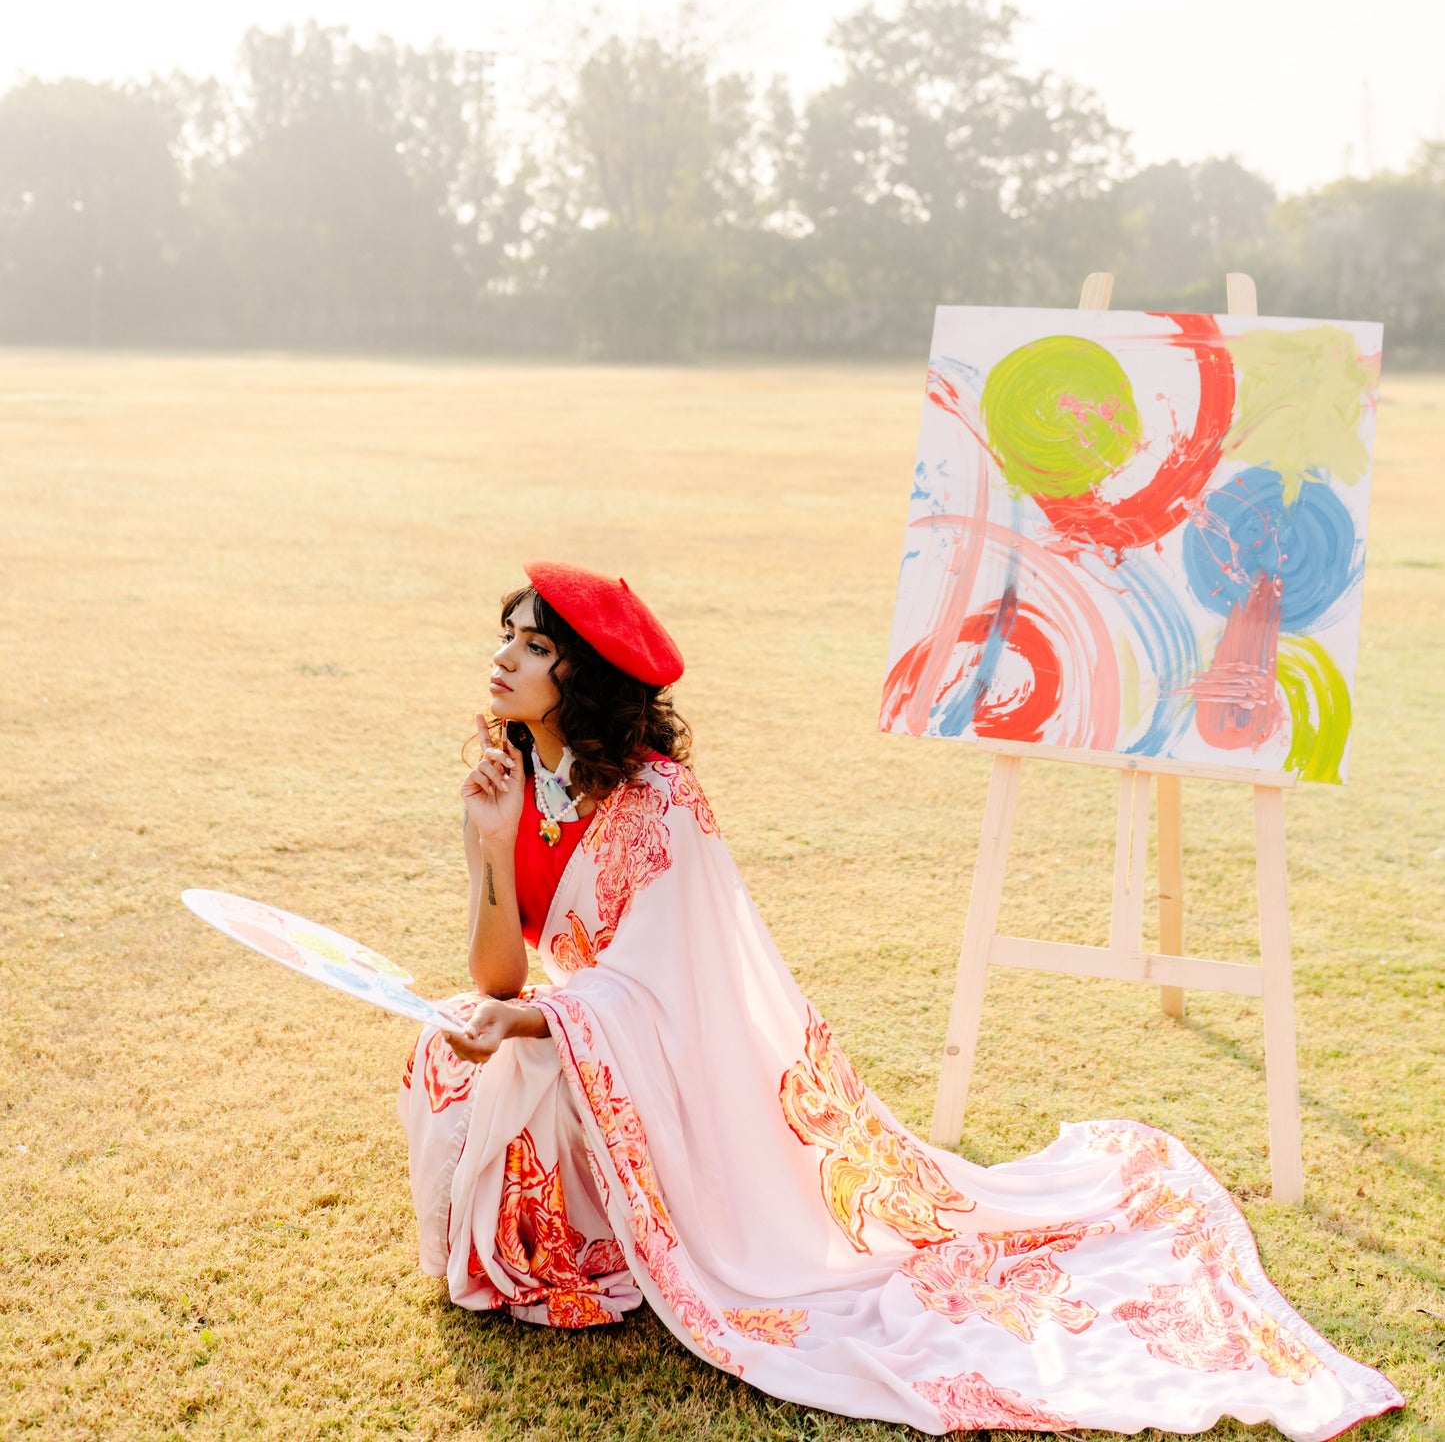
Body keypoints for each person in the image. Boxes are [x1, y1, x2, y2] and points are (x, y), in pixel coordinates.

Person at [399, 561, 1401, 1438]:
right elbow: (498, 973)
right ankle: (562, 1242)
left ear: (588, 674)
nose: (504, 657)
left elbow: (661, 994)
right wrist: (488, 842)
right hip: (595, 1036)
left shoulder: (658, 803)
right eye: (506, 635)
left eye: (533, 644)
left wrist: (535, 1017)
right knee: (461, 1042)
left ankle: (601, 1238)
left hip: (672, 1065)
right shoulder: (513, 776)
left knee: (525, 1045)